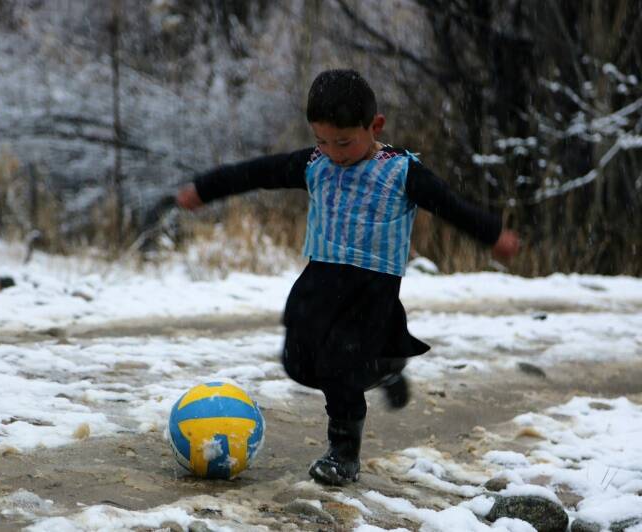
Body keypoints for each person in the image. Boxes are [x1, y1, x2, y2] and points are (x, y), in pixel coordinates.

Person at [176, 69, 520, 486]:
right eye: (322, 140)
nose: (333, 152)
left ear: (374, 126)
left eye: (343, 142)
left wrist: (492, 234)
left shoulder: (400, 171)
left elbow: (450, 205)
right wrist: (205, 189)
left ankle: (343, 453)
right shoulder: (314, 164)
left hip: (371, 288)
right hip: (320, 278)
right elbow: (256, 173)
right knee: (299, 362)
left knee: (338, 366)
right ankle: (384, 365)